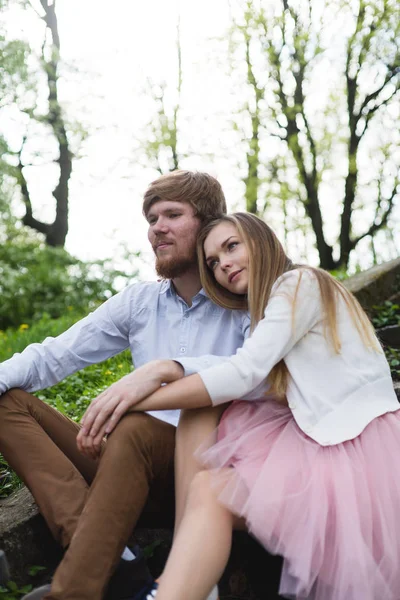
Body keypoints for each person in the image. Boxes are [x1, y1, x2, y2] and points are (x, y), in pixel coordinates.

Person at [112, 212, 400, 600]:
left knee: (212, 485)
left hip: (356, 451)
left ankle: (178, 588)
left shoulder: (301, 283)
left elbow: (242, 372)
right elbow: (238, 375)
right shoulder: (269, 309)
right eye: (213, 262)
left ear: (262, 241)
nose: (223, 265)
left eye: (231, 247)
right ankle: (185, 583)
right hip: (321, 439)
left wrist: (136, 398)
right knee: (207, 467)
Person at [0, 171, 251, 600]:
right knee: (9, 402)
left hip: (203, 473)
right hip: (124, 467)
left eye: (172, 214)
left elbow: (253, 370)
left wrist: (167, 369)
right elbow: (54, 355)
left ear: (209, 224)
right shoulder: (139, 303)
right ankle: (116, 563)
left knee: (135, 427)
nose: (157, 228)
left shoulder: (246, 298)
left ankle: (73, 591)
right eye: (151, 219)